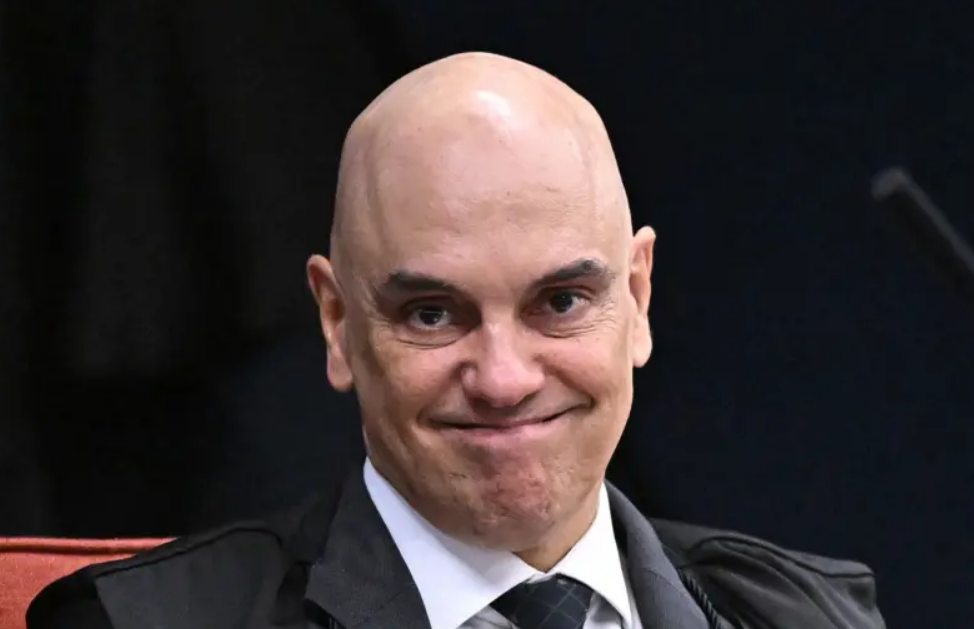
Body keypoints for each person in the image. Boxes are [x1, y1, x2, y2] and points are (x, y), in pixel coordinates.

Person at [27, 52, 885, 629]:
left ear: (636, 298)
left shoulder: (813, 613)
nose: (504, 379)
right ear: (337, 323)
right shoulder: (142, 622)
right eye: (432, 313)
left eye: (560, 301)